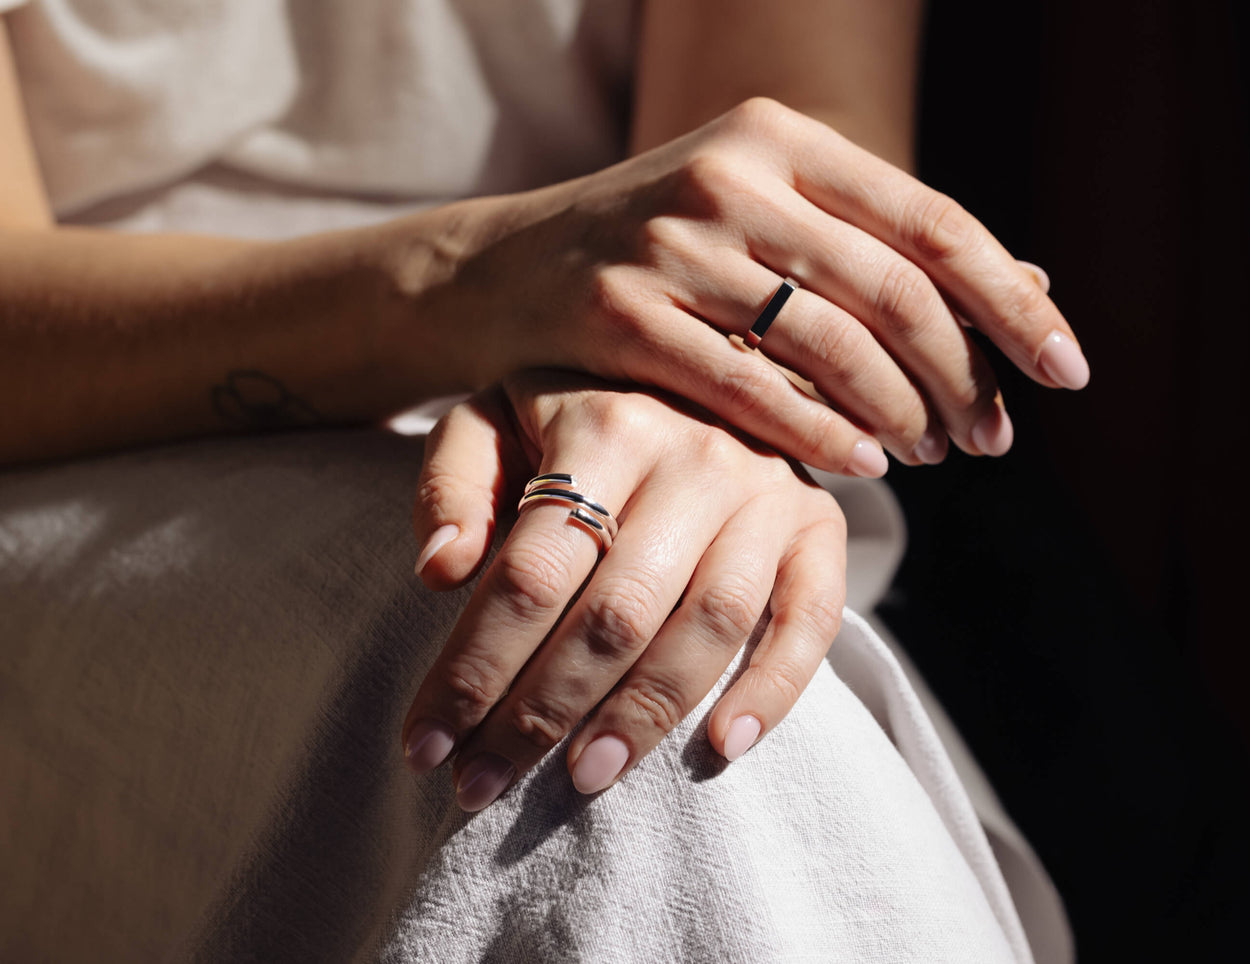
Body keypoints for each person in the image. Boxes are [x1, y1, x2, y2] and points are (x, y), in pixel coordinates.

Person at [0, 1, 1083, 959]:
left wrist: (675, 394)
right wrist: (482, 282)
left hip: (592, 337)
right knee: (554, 697)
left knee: (656, 633)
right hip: (105, 422)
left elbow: (794, 166)